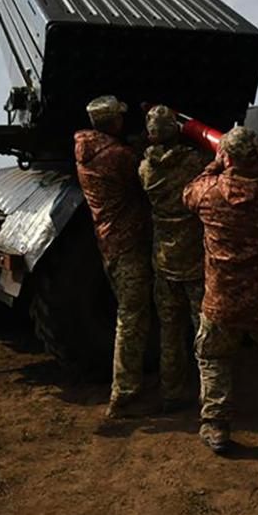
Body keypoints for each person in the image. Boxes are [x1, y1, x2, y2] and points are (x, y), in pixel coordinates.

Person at [183, 125, 258, 459]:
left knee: (214, 359)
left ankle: (217, 428)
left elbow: (188, 193)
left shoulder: (208, 194)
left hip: (221, 300)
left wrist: (214, 164)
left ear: (227, 158)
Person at [74, 95, 153, 419]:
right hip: (127, 243)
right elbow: (147, 174)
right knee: (132, 317)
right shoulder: (119, 156)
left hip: (109, 243)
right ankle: (125, 394)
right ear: (114, 122)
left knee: (129, 312)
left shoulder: (84, 148)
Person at [138, 105, 207, 412]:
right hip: (194, 261)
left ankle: (171, 392)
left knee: (170, 332)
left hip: (164, 261)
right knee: (203, 329)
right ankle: (208, 393)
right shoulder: (193, 163)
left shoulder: (145, 168)